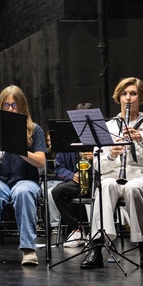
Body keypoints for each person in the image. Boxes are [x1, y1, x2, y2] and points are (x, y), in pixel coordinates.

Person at [81, 77, 143, 270]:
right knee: (105, 185)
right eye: (124, 94)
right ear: (118, 97)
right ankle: (97, 247)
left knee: (132, 187)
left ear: (141, 97)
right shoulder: (108, 127)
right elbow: (99, 167)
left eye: (133, 94)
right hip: (114, 177)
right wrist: (111, 156)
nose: (128, 98)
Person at [0, 86, 47, 267]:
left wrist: (20, 149)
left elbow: (41, 162)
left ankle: (28, 249)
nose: (11, 109)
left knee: (23, 192)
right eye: (6, 105)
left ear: (22, 106)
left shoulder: (34, 130)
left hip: (26, 181)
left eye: (14, 105)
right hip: (0, 181)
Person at [50, 102, 95, 247]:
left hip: (98, 181)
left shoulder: (99, 137)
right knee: (57, 191)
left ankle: (95, 232)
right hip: (76, 181)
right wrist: (72, 176)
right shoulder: (66, 140)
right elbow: (58, 168)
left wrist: (95, 157)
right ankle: (76, 230)